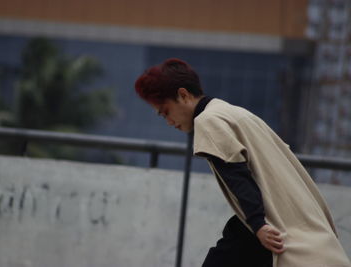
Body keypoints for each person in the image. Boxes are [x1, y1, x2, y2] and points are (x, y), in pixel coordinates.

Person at [134, 58, 351, 267]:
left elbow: (236, 175)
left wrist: (258, 225)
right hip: (282, 224)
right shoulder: (231, 112)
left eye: (166, 113)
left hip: (270, 228)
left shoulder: (208, 121)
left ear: (183, 95)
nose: (169, 122)